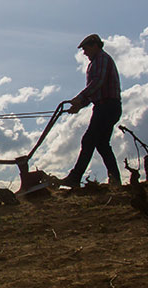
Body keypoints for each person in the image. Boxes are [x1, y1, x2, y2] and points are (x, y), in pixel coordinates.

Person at [60, 34, 122, 188]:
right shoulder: (95, 62)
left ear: (95, 45)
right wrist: (79, 105)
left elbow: (98, 83)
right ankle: (115, 180)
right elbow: (95, 90)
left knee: (89, 140)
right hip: (105, 106)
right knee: (101, 144)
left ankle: (75, 177)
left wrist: (80, 97)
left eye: (86, 49)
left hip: (107, 107)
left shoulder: (101, 59)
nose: (84, 53)